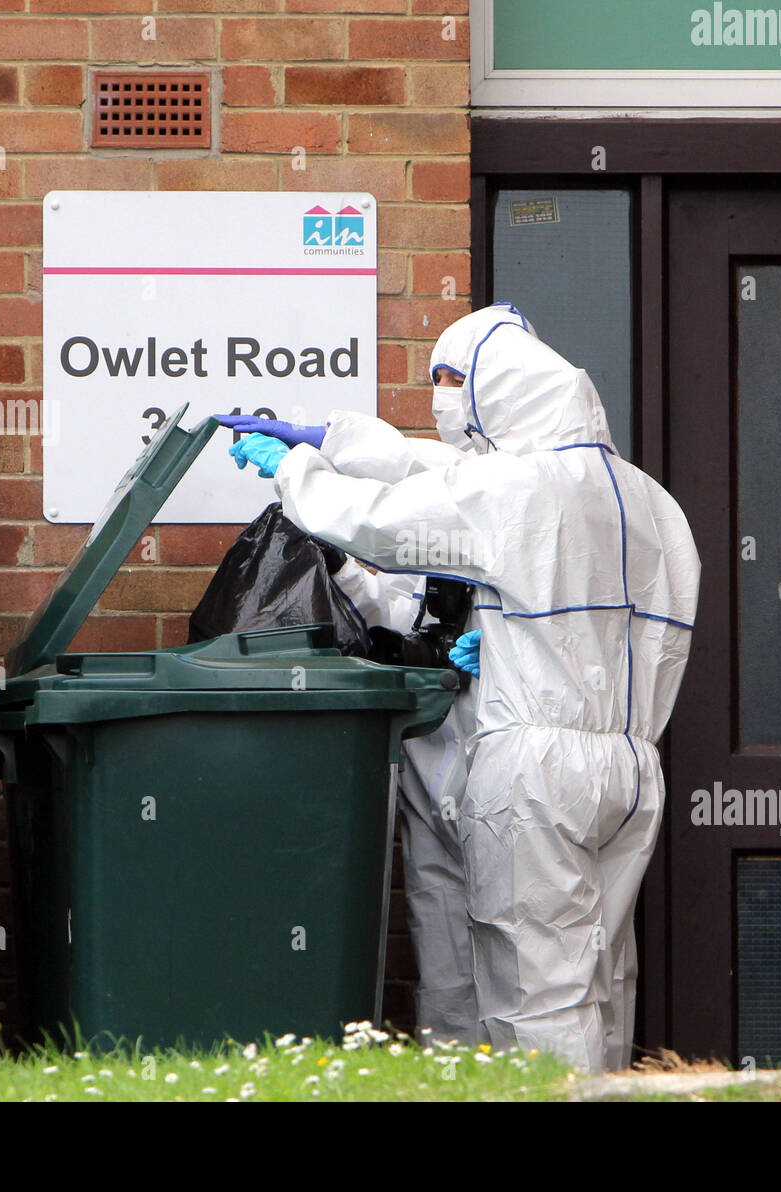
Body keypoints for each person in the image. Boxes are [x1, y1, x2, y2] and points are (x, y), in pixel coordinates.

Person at [222, 303, 700, 1071]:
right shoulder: (647, 500)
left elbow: (389, 524)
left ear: (500, 390)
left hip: (534, 770)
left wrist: (298, 474)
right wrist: (336, 441)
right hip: (630, 764)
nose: (445, 398)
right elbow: (456, 477)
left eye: (454, 381)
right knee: (603, 975)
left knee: (532, 988)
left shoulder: (520, 491)